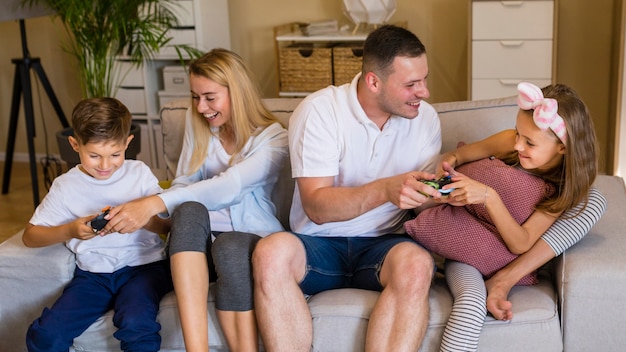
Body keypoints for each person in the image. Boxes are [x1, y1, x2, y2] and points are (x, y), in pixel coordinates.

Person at [252, 25, 443, 351]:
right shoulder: (320, 111)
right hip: (317, 244)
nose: (424, 92)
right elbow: (316, 206)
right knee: (271, 253)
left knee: (417, 264)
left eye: (424, 79)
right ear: (374, 81)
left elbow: (421, 205)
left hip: (385, 246)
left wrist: (444, 191)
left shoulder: (424, 119)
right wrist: (385, 190)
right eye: (411, 84)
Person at [101, 48, 288, 352]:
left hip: (249, 242)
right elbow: (184, 182)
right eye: (194, 97)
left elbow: (230, 186)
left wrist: (152, 204)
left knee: (228, 247)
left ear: (236, 93)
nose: (201, 107)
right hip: (197, 250)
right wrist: (151, 219)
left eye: (210, 97)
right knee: (187, 209)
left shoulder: (274, 138)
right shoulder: (198, 121)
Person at [405, 82, 607, 352]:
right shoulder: (508, 144)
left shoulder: (560, 192)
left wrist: (488, 196)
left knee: (594, 201)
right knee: (471, 303)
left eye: (530, 142)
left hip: (498, 253)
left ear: (563, 148)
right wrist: (446, 179)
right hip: (462, 249)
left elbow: (521, 243)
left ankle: (503, 279)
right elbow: (458, 155)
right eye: (518, 133)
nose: (517, 144)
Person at [23, 97, 173, 352]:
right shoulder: (65, 186)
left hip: (145, 268)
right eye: (94, 155)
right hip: (93, 276)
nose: (105, 165)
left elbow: (168, 226)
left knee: (136, 322)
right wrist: (71, 230)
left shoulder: (139, 174)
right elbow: (30, 236)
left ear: (128, 143)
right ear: (74, 144)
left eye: (115, 154)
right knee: (46, 334)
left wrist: (144, 221)